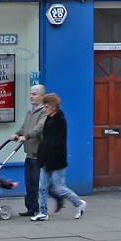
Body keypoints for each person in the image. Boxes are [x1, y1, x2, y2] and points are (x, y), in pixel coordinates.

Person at [35, 92, 85, 220]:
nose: (44, 110)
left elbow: (59, 141)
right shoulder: (49, 118)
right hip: (46, 158)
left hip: (56, 159)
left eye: (46, 107)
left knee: (59, 188)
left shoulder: (60, 120)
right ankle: (43, 212)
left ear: (53, 107)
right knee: (42, 186)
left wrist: (48, 147)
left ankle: (79, 203)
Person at [5, 84, 48, 219]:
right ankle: (31, 207)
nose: (31, 96)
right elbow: (24, 127)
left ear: (42, 96)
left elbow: (39, 128)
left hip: (38, 154)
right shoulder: (30, 111)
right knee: (29, 182)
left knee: (36, 182)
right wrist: (16, 134)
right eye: (30, 94)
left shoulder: (44, 112)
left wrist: (26, 136)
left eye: (34, 94)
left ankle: (40, 208)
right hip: (29, 154)